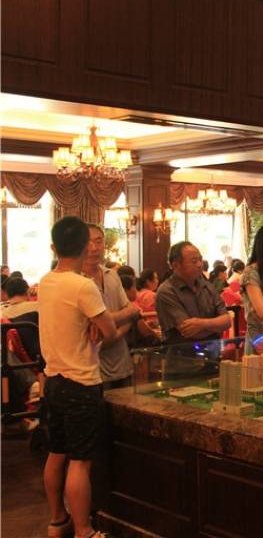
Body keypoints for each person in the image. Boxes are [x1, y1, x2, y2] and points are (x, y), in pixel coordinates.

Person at [38, 216, 117, 538]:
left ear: (54, 247)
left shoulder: (46, 281)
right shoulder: (83, 285)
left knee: (57, 453)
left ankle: (58, 521)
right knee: (80, 462)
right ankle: (84, 530)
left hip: (53, 380)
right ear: (85, 246)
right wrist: (96, 326)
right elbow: (110, 331)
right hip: (81, 383)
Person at [83, 224, 141, 388]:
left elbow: (132, 311)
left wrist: (111, 333)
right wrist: (123, 319)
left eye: (98, 241)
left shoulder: (112, 275)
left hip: (123, 365)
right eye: (88, 242)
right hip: (93, 371)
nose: (94, 248)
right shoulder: (76, 281)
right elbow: (89, 326)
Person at [156, 242, 231, 344]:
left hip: (212, 349)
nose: (200, 265)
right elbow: (190, 332)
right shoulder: (167, 291)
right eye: (194, 261)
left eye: (200, 259)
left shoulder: (206, 285)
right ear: (176, 266)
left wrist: (202, 324)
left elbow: (227, 321)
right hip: (181, 351)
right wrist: (216, 326)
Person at [120, 275, 161, 346]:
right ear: (125, 290)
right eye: (134, 287)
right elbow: (147, 333)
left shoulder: (115, 307)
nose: (136, 291)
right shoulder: (131, 310)